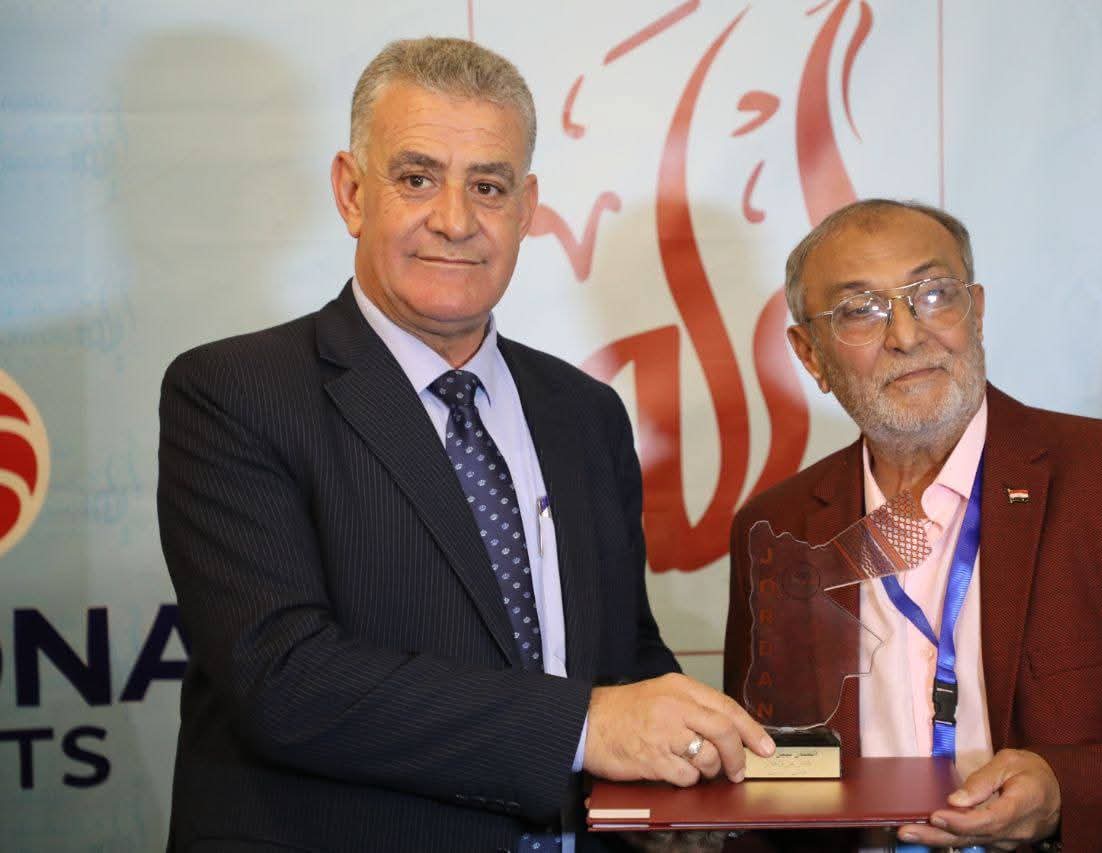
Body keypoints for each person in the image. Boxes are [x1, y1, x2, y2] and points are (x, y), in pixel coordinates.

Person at [158, 37, 771, 852]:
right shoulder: (236, 393)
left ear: (526, 207)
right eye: (417, 178)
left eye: (488, 186)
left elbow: (620, 654)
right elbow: (284, 678)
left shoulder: (585, 412)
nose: (454, 220)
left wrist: (680, 770)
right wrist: (586, 727)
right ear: (351, 192)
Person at [724, 199, 1102, 852]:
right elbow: (780, 769)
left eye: (934, 294)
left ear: (976, 312)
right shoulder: (778, 526)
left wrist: (1065, 793)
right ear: (811, 355)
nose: (907, 334)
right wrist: (710, 820)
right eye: (860, 310)